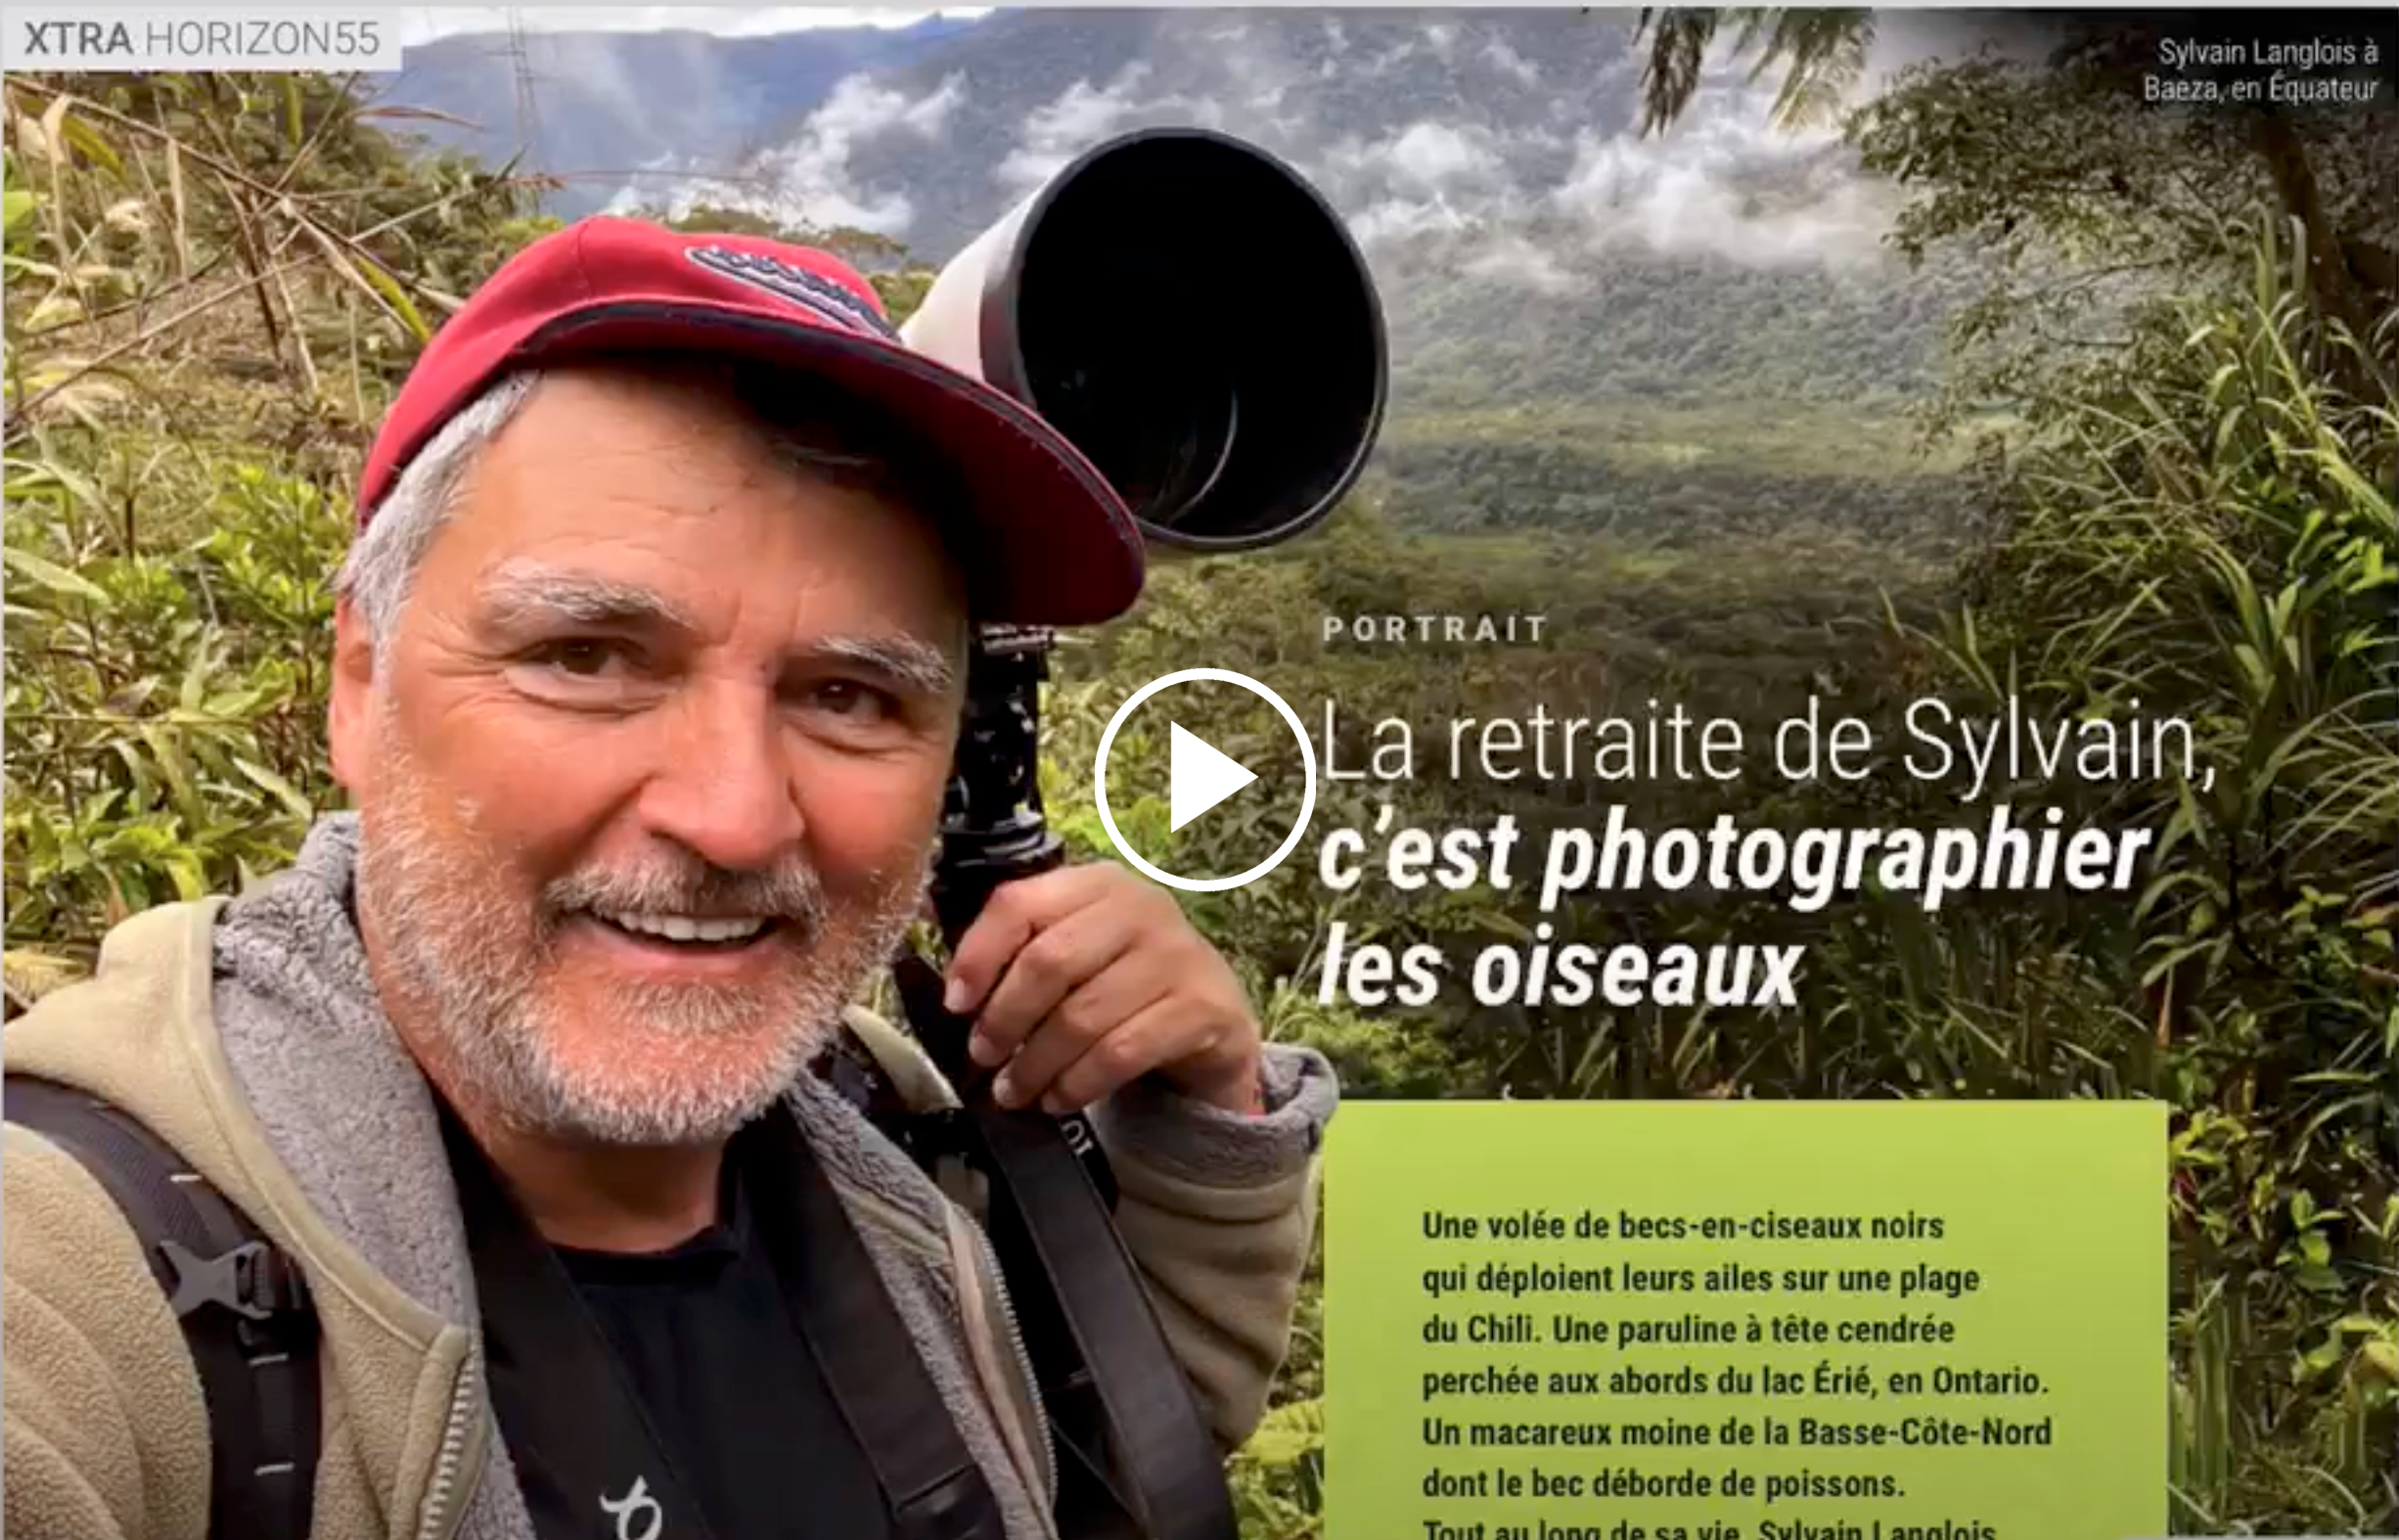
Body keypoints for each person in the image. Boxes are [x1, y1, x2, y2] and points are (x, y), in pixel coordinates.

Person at [3, 218, 1336, 1540]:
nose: (736, 815)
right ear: (362, 684)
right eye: (589, 656)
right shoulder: (83, 1256)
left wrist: (1201, 1129)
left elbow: (1106, 1438)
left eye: (849, 693)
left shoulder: (890, 1122)